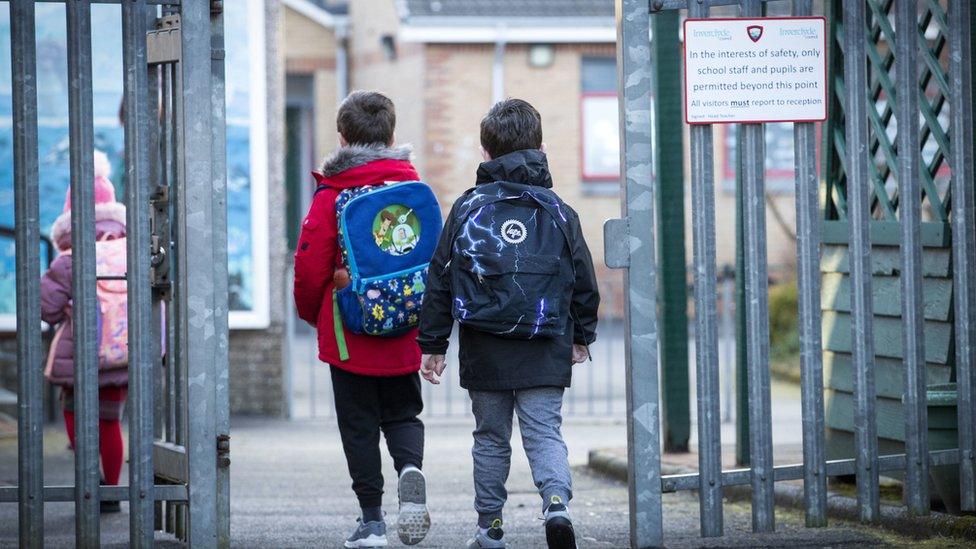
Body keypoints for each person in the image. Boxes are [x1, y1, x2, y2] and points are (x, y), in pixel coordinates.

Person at [417, 99, 600, 549]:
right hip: (544, 342)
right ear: (541, 147)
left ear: (485, 153)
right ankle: (556, 504)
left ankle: (490, 529)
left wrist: (433, 343)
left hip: (486, 346)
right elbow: (582, 278)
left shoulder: (466, 208)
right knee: (543, 432)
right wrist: (581, 335)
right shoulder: (558, 210)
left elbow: (440, 278)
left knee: (491, 438)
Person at [294, 91, 431, 548]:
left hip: (348, 330)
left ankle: (372, 521)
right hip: (406, 324)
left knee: (358, 424)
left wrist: (310, 310)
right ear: (392, 136)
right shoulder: (409, 189)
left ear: (342, 138)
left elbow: (311, 261)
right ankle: (410, 470)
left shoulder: (333, 195)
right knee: (403, 411)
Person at [41, 150, 129, 514]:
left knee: (77, 414)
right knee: (110, 422)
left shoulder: (69, 258)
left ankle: (89, 480)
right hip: (123, 354)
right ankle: (112, 492)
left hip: (80, 357)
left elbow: (45, 307)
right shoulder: (129, 251)